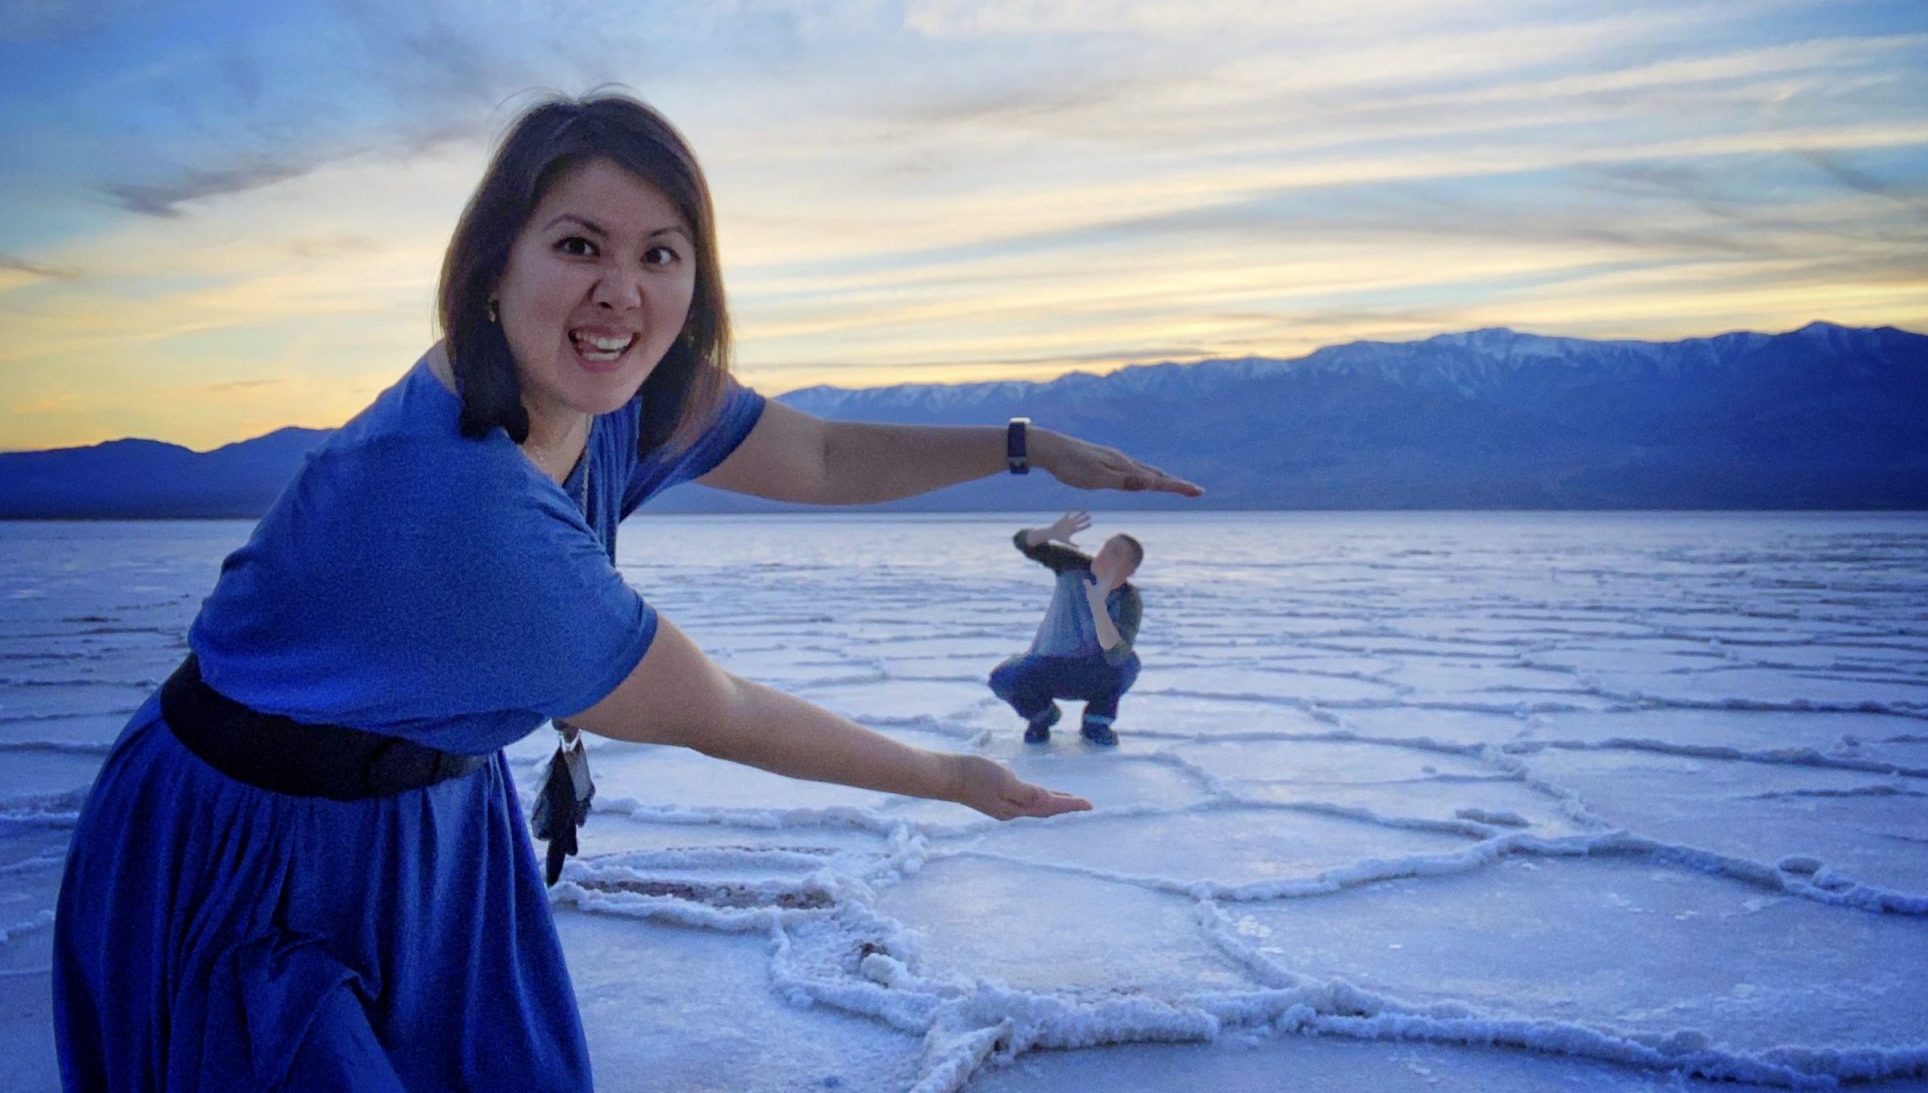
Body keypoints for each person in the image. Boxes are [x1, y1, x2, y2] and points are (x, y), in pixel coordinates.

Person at [51, 93, 1201, 1092]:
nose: (619, 293)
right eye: (577, 246)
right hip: (250, 848)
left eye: (659, 254)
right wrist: (950, 776)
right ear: (492, 264)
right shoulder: (467, 515)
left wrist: (1019, 443)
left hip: (433, 821)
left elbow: (822, 459)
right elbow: (723, 713)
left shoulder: (625, 393)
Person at [988, 509, 1146, 748]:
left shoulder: (1128, 599)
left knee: (1128, 663)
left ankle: (1097, 722)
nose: (1103, 556)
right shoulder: (1073, 565)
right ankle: (1042, 715)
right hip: (1047, 663)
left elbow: (1116, 656)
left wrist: (1098, 606)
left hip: (1093, 669)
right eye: (1105, 548)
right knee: (1004, 678)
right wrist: (1050, 533)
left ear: (1129, 569)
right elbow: (1022, 541)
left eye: (1115, 554)